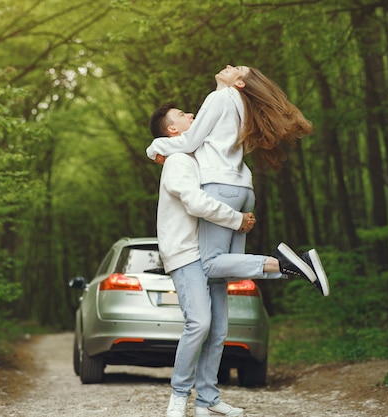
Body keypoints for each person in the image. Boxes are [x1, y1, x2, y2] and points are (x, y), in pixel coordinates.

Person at [152, 104, 329, 417]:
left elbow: (178, 144)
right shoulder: (179, 161)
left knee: (218, 331)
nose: (192, 115)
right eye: (183, 115)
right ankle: (179, 396)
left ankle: (207, 400)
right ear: (173, 129)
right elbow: (194, 201)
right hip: (185, 253)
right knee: (200, 323)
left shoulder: (195, 152)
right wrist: (235, 218)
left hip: (206, 249)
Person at [147, 66, 329, 297]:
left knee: (211, 264)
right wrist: (222, 86)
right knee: (229, 269)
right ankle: (296, 266)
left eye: (237, 69)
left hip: (220, 187)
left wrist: (155, 147)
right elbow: (214, 129)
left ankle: (285, 263)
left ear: (240, 83)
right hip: (243, 190)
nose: (229, 67)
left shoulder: (218, 99)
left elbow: (190, 141)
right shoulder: (241, 104)